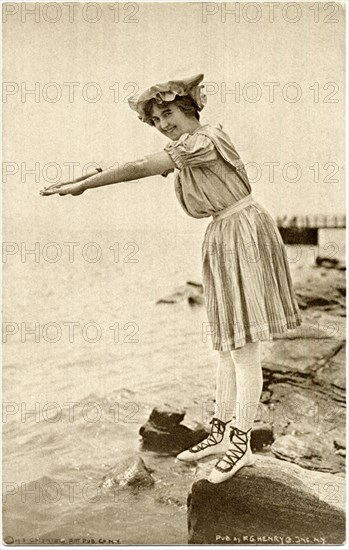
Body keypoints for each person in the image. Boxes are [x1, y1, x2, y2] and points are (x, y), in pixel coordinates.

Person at [41, 73, 302, 484]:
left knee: (245, 347)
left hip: (243, 231)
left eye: (168, 114)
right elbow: (137, 164)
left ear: (189, 110)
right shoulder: (186, 148)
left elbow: (143, 167)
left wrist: (85, 186)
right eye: (157, 120)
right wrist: (87, 177)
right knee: (226, 345)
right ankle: (221, 432)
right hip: (223, 231)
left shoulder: (205, 139)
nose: (163, 123)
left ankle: (242, 444)